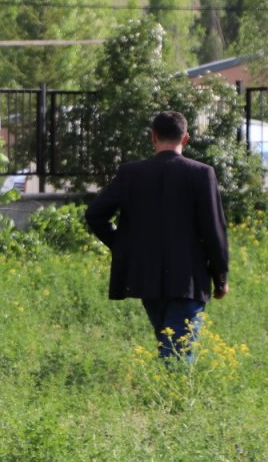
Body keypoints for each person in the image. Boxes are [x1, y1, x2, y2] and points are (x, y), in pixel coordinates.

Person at [84, 111, 230, 360]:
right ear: (186, 139)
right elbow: (214, 229)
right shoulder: (201, 173)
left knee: (169, 344)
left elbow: (95, 214)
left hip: (146, 277)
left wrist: (123, 246)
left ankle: (167, 383)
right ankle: (172, 385)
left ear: (153, 136)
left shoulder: (131, 173)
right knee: (176, 353)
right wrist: (220, 277)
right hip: (188, 279)